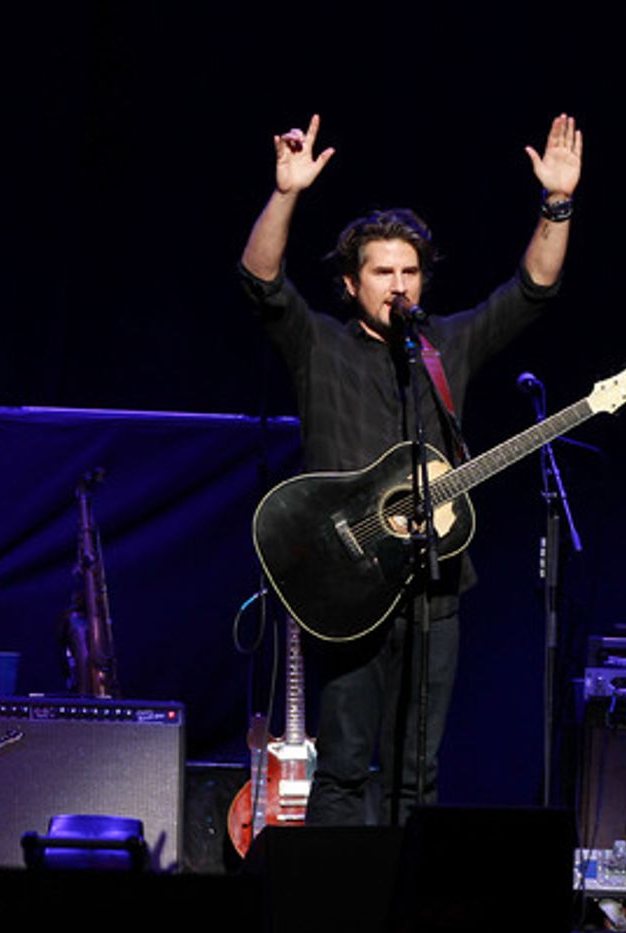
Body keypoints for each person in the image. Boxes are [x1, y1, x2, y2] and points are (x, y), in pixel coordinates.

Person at [238, 113, 582, 825]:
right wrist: (286, 194)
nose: (398, 285)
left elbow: (532, 291)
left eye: (410, 271)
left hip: (435, 592)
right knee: (341, 768)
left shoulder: (442, 346)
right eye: (382, 272)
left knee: (417, 777)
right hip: (344, 590)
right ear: (350, 282)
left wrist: (556, 203)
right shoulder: (320, 346)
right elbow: (261, 280)